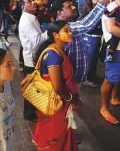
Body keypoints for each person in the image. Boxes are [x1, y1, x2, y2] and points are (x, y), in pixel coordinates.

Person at [51, 0, 116, 84]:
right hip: (68, 80)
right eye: (68, 7)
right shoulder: (66, 29)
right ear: (60, 13)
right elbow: (86, 24)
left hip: (74, 79)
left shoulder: (69, 25)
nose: (73, 7)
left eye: (71, 5)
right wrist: (104, 0)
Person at [33, 21, 80, 151]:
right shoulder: (53, 55)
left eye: (70, 30)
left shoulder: (59, 51)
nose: (70, 33)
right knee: (51, 138)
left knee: (57, 135)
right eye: (66, 30)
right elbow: (57, 87)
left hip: (58, 102)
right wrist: (71, 98)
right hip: (55, 104)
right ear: (56, 35)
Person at [18, 0, 48, 121]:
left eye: (32, 1)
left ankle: (32, 111)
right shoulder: (27, 21)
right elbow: (36, 41)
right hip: (31, 58)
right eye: (29, 2)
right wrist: (49, 32)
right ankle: (29, 113)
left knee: (34, 86)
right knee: (31, 87)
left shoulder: (31, 18)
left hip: (34, 56)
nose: (33, 3)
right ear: (23, 7)